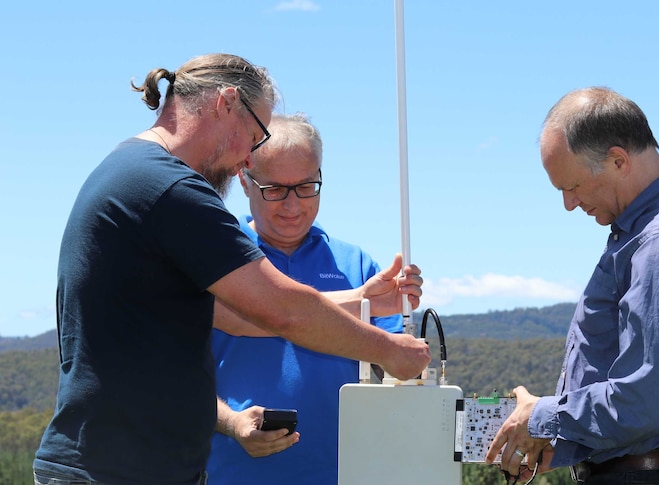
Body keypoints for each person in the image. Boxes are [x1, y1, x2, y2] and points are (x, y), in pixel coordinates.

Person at [34, 54, 430, 485]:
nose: (247, 156)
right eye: (256, 137)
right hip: (117, 470)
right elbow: (279, 310)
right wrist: (390, 350)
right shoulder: (170, 189)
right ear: (225, 103)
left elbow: (236, 317)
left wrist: (361, 302)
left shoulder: (135, 172)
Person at [486, 87, 659, 485]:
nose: (569, 204)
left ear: (617, 160)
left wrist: (541, 416)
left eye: (572, 186)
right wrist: (555, 439)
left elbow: (643, 402)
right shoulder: (653, 232)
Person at [205, 113, 414, 484]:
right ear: (244, 179)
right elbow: (174, 380)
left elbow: (402, 369)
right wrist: (233, 424)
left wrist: (409, 332)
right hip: (232, 474)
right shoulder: (215, 259)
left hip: (344, 474)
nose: (292, 205)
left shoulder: (358, 264)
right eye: (275, 190)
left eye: (306, 187)